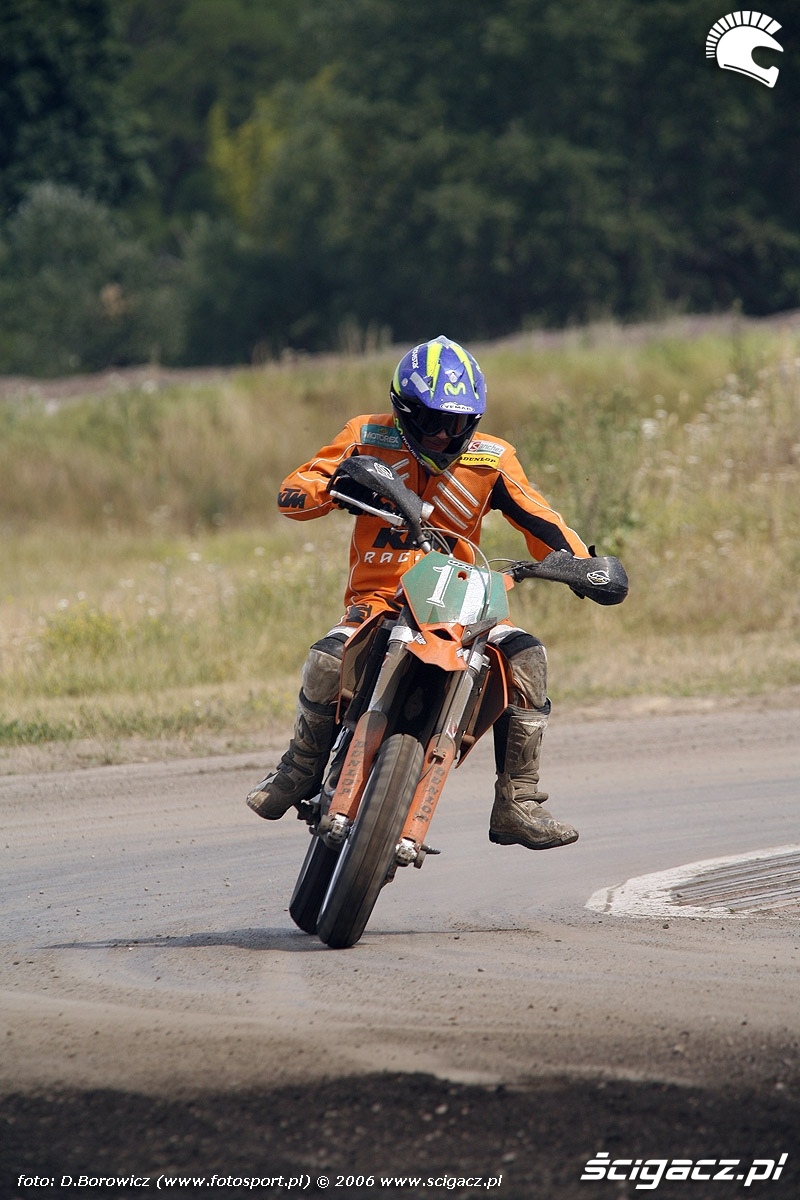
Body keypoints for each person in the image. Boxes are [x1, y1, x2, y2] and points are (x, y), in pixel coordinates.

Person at [247, 335, 602, 850]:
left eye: (456, 424)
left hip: (464, 601)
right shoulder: (365, 435)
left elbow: (543, 520)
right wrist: (340, 484)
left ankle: (518, 801)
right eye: (431, 421)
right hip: (380, 600)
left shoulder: (493, 459)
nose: (441, 435)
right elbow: (292, 492)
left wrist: (588, 566)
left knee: (528, 656)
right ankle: (300, 767)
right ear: (403, 410)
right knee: (327, 659)